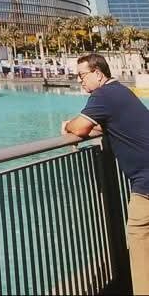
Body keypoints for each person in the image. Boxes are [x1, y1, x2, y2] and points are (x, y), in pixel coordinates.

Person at [61, 52, 149, 296]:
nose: (80, 81)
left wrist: (68, 125)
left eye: (82, 76)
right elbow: (106, 125)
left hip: (146, 185)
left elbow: (80, 127)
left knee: (140, 242)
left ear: (98, 73)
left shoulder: (103, 95)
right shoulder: (119, 92)